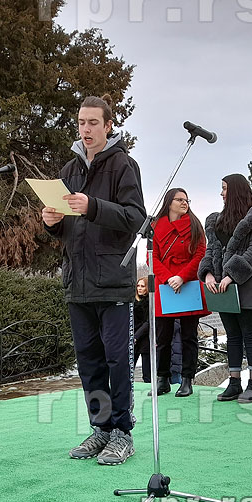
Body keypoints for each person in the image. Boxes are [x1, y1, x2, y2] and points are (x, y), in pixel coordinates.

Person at [42, 94, 146, 465]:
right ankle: (100, 428)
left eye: (93, 123)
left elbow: (136, 218)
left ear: (108, 125)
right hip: (78, 281)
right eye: (81, 122)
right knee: (89, 362)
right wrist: (51, 223)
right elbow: (68, 227)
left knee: (118, 361)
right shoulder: (69, 169)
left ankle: (122, 433)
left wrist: (93, 206)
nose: (86, 129)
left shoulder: (123, 165)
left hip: (113, 280)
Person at [199, 173, 252, 404]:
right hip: (222, 288)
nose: (221, 193)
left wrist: (232, 274)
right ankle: (234, 383)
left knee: (250, 334)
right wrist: (208, 273)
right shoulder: (218, 221)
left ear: (236, 190)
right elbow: (211, 250)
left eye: (225, 188)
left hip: (248, 285)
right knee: (232, 335)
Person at [151, 187, 208, 397]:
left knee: (189, 336)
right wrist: (167, 277)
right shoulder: (155, 227)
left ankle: (187, 379)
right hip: (165, 285)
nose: (185, 203)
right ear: (169, 202)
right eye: (180, 199)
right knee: (163, 336)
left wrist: (182, 277)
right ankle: (162, 379)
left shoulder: (195, 226)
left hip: (188, 283)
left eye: (186, 200)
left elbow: (200, 254)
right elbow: (152, 256)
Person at [132, 277, 151, 383]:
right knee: (129, 369)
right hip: (133, 335)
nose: (139, 288)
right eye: (138, 286)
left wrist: (136, 336)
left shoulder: (150, 302)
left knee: (147, 372)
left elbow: (148, 322)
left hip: (145, 337)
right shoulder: (132, 302)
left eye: (142, 286)